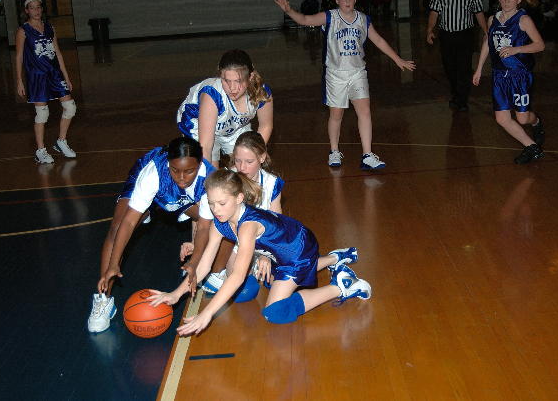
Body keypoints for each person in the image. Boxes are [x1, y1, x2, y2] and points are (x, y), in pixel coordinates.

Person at [148, 169, 371, 335]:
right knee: (271, 282)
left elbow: (237, 276)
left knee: (274, 312)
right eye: (211, 203)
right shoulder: (220, 223)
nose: (216, 210)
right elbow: (204, 265)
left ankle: (342, 285)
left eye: (222, 203)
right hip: (281, 250)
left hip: (298, 250)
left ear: (239, 198)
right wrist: (176, 294)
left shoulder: (247, 226)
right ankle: (336, 257)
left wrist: (207, 313)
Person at [274, 0, 416, 170]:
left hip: (358, 73)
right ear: (337, 0)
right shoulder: (330, 17)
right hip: (335, 74)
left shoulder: (363, 19)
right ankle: (334, 151)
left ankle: (367, 155)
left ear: (355, 0)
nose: (347, 1)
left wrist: (397, 59)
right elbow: (305, 19)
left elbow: (378, 40)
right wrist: (289, 10)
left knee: (365, 112)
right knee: (336, 114)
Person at [87, 137, 216, 333]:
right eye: (175, 170)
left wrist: (195, 262)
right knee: (117, 226)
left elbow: (204, 228)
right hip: (153, 184)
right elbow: (129, 222)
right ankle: (104, 299)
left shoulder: (209, 179)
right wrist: (114, 263)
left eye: (189, 171)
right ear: (168, 164)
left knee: (218, 220)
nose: (181, 177)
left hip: (178, 196)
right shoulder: (153, 173)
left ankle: (219, 271)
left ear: (199, 165)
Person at [200, 131, 284, 294]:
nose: (242, 167)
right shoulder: (226, 181)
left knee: (277, 282)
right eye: (238, 160)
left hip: (265, 241)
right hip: (238, 241)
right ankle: (230, 269)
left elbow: (277, 224)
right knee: (238, 286)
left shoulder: (272, 183)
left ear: (262, 157)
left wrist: (267, 255)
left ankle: (332, 259)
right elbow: (211, 220)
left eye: (249, 161)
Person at [472, 0, 546, 165]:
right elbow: (487, 43)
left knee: (522, 118)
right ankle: (532, 147)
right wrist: (479, 68)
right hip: (499, 75)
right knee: (502, 118)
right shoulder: (492, 19)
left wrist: (516, 49)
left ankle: (536, 122)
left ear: (519, 0)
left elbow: (540, 45)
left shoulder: (523, 20)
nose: (507, 1)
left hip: (519, 75)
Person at [176, 49, 273, 168]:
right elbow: (205, 146)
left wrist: (255, 155)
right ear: (220, 75)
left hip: (235, 126)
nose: (232, 88)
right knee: (211, 171)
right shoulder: (212, 95)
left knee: (247, 166)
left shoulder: (261, 93)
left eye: (238, 81)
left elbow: (265, 126)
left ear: (250, 77)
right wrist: (208, 174)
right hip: (198, 127)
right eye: (226, 81)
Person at [15, 0, 77, 164]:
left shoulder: (50, 27)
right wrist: (19, 80)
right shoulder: (23, 31)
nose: (36, 10)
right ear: (27, 11)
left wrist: (66, 76)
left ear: (41, 9)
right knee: (42, 113)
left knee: (70, 107)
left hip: (54, 74)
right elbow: (19, 56)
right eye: (32, 8)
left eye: (38, 7)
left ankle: (61, 141)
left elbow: (58, 52)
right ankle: (40, 150)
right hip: (37, 76)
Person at [427, 0, 487, 112]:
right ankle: (456, 94)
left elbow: (478, 13)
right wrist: (429, 30)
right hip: (446, 35)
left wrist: (486, 31)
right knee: (450, 67)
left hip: (465, 35)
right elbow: (434, 13)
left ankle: (462, 100)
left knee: (464, 67)